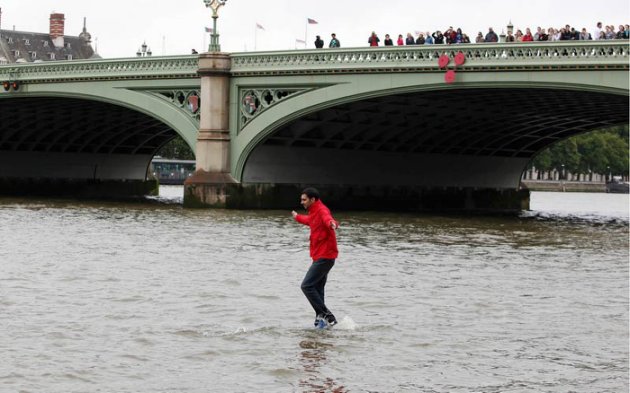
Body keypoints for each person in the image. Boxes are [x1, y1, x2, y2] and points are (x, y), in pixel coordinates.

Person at [291, 188, 339, 327]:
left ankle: (327, 315)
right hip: (319, 255)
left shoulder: (322, 210)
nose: (302, 202)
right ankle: (321, 321)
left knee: (306, 286)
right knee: (318, 288)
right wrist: (297, 217)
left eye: (304, 199)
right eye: (301, 199)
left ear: (313, 200)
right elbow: (310, 221)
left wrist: (332, 224)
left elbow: (328, 219)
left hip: (325, 256)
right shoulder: (314, 212)